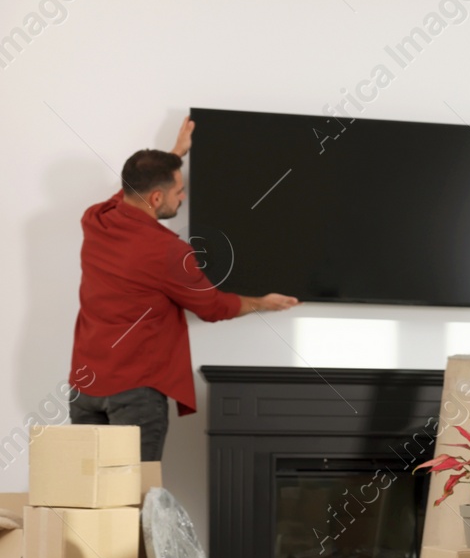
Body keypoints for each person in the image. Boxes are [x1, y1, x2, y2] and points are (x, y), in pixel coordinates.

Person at [69, 116, 298, 461]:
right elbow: (213, 307)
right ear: (158, 196)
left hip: (85, 387)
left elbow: (130, 191)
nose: (183, 197)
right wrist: (263, 303)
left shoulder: (97, 219)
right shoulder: (167, 252)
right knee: (133, 496)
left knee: (90, 499)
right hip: (135, 393)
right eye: (178, 191)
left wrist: (175, 153)